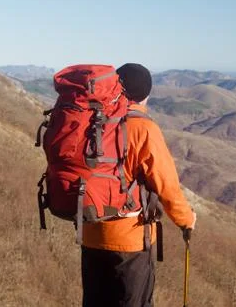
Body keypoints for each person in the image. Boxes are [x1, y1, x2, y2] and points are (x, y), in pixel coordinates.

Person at [81, 63, 196, 307]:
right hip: (129, 239)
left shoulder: (92, 122)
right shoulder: (143, 128)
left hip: (90, 231)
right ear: (145, 96)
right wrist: (186, 220)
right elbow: (167, 186)